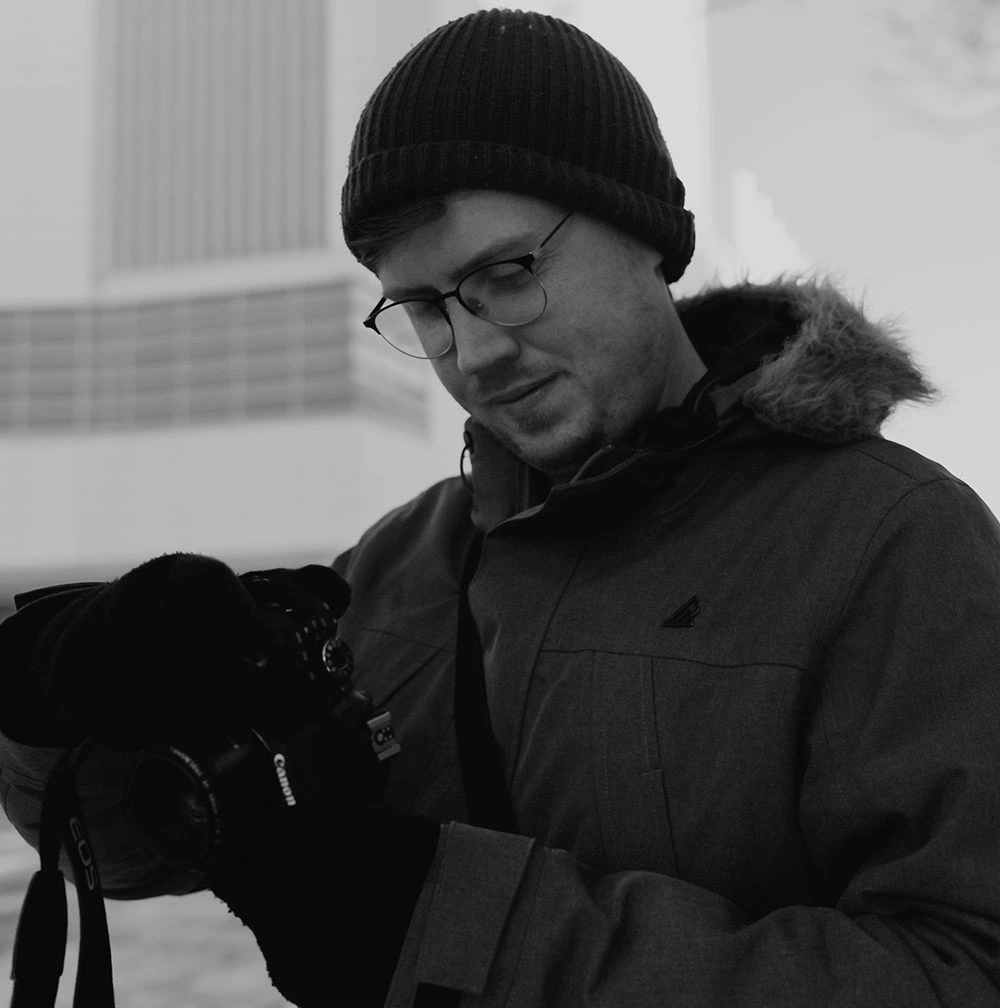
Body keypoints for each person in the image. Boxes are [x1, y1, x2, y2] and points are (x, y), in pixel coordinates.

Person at [2, 8, 999, 1007]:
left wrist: (443, 927)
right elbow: (134, 858)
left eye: (507, 275)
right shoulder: (393, 567)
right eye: (426, 308)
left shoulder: (897, 541)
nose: (473, 353)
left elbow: (964, 969)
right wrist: (58, 713)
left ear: (649, 232)